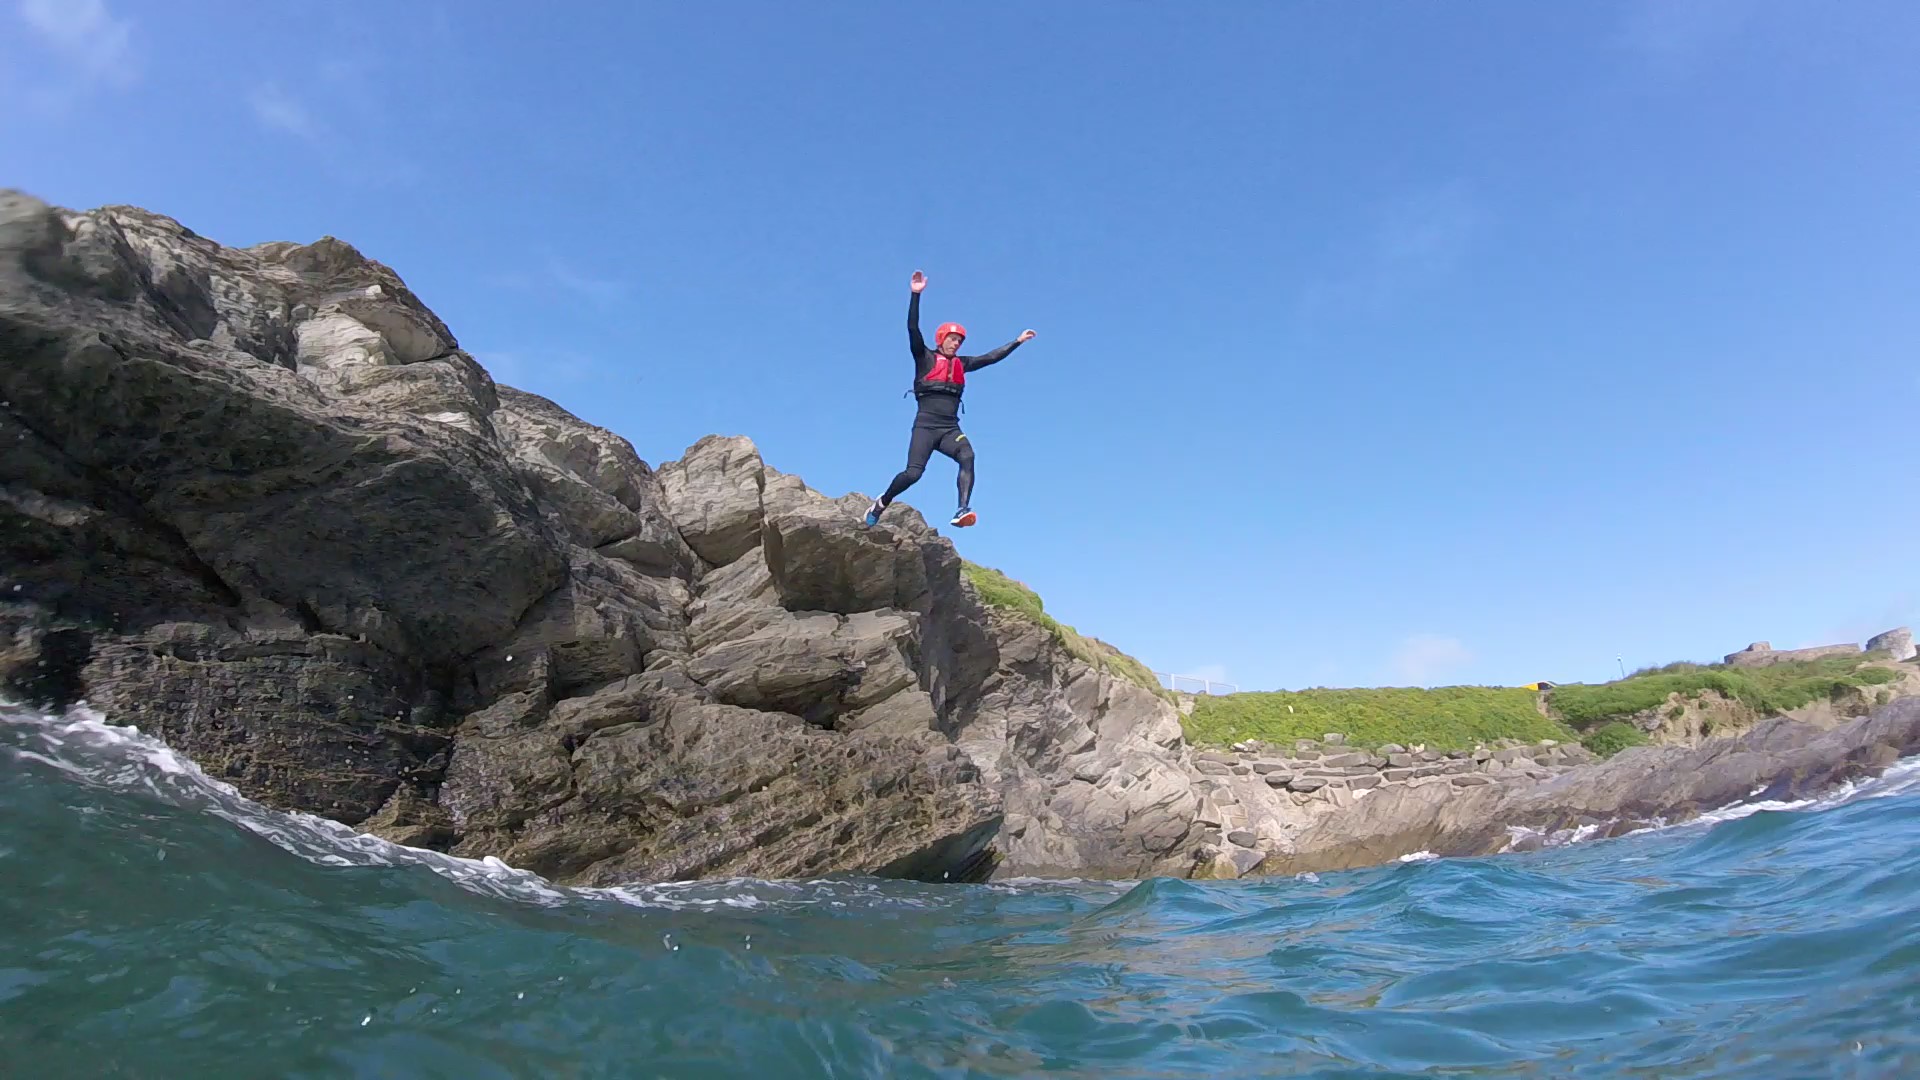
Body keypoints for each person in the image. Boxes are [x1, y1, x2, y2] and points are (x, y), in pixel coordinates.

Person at [864, 270, 1035, 529]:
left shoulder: (962, 364)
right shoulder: (924, 358)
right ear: (941, 340)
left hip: (949, 429)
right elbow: (912, 327)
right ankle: (882, 502)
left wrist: (1018, 342)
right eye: (952, 339)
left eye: (959, 340)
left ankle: (962, 508)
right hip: (925, 426)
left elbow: (990, 357)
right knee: (913, 474)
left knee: (968, 455)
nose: (956, 344)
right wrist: (915, 294)